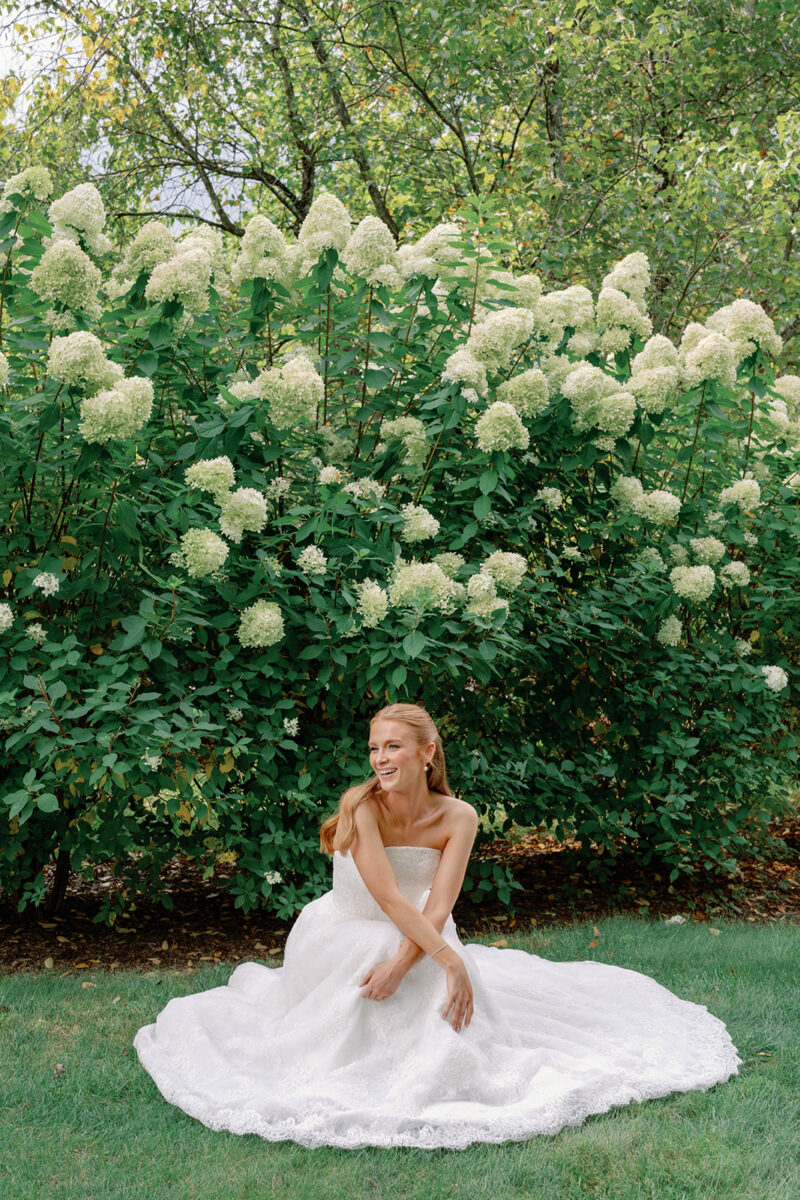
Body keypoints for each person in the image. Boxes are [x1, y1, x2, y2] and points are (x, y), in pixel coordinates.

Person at [133, 703, 741, 1150]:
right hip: (344, 932)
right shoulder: (362, 807)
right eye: (374, 748)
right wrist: (444, 961)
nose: (380, 759)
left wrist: (411, 961)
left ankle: (446, 1064)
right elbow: (391, 899)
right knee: (403, 977)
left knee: (435, 995)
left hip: (421, 929)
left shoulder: (461, 816)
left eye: (393, 747)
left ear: (427, 753)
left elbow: (438, 904)